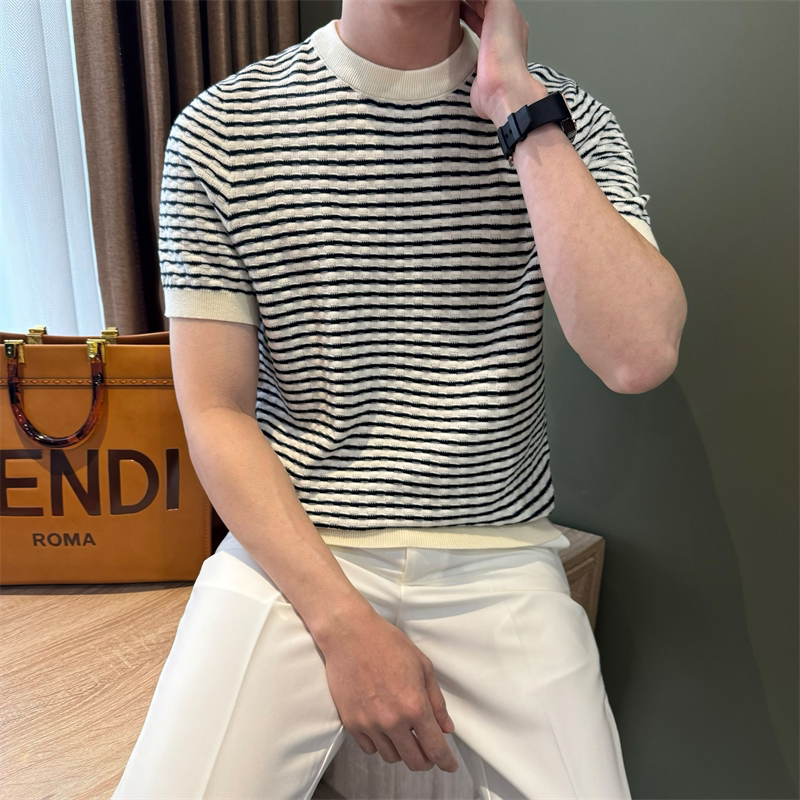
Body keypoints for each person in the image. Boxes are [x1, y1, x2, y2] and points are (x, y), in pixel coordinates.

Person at [111, 0, 675, 796]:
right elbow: (216, 410)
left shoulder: (561, 117)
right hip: (296, 551)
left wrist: (517, 105)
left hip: (496, 553)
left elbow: (638, 353)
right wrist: (344, 626)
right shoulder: (224, 130)